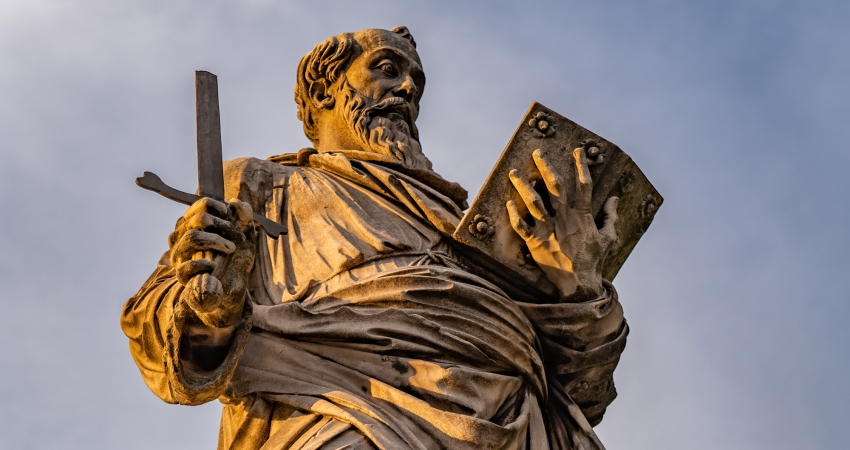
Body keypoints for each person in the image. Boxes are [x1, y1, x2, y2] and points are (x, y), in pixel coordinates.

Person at [121, 26, 627, 450]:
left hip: (519, 426)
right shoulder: (264, 184)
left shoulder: (465, 221)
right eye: (388, 70)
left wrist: (578, 283)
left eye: (415, 82)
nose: (407, 90)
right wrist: (212, 308)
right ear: (323, 92)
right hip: (347, 411)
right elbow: (165, 351)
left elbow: (582, 396)